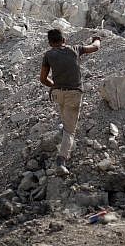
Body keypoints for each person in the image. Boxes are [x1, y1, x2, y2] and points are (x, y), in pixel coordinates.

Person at [39, 29, 100, 175]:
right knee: (70, 131)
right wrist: (97, 38)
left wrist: (54, 85)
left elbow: (43, 79)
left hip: (57, 93)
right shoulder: (75, 49)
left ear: (49, 43)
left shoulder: (48, 55)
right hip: (74, 93)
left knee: (64, 112)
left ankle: (63, 132)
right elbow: (95, 47)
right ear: (64, 39)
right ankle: (61, 160)